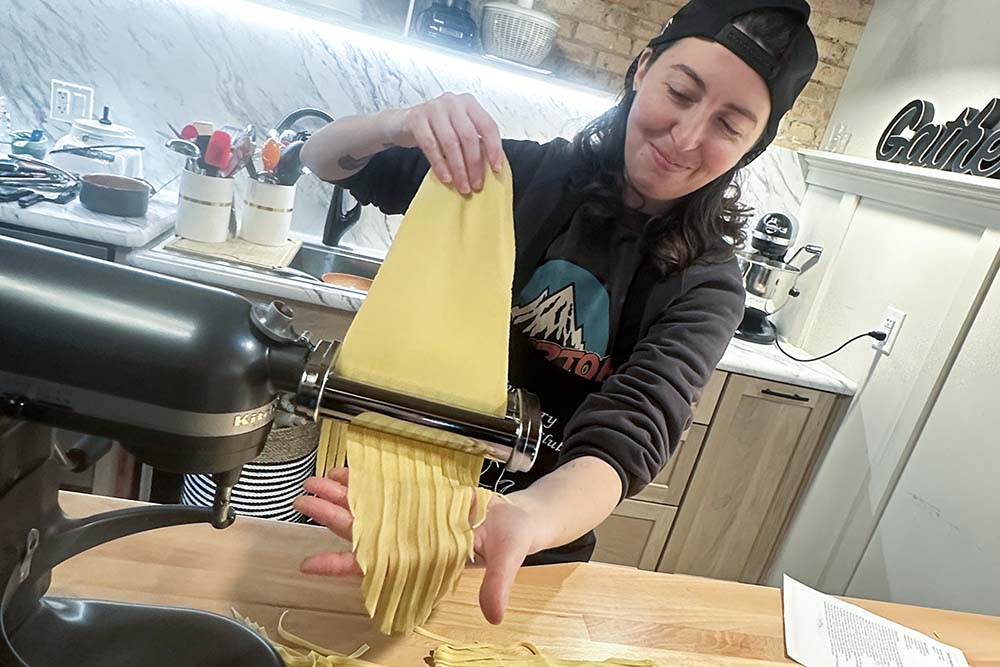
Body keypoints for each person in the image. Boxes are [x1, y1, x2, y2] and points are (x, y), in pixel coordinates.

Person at [294, 0, 818, 624]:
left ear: (753, 147)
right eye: (680, 92)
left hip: (521, 550)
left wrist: (528, 516)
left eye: (729, 126)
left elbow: (631, 429)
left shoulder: (705, 285)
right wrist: (397, 123)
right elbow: (323, 159)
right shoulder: (513, 177)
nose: (685, 138)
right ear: (643, 67)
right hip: (381, 503)